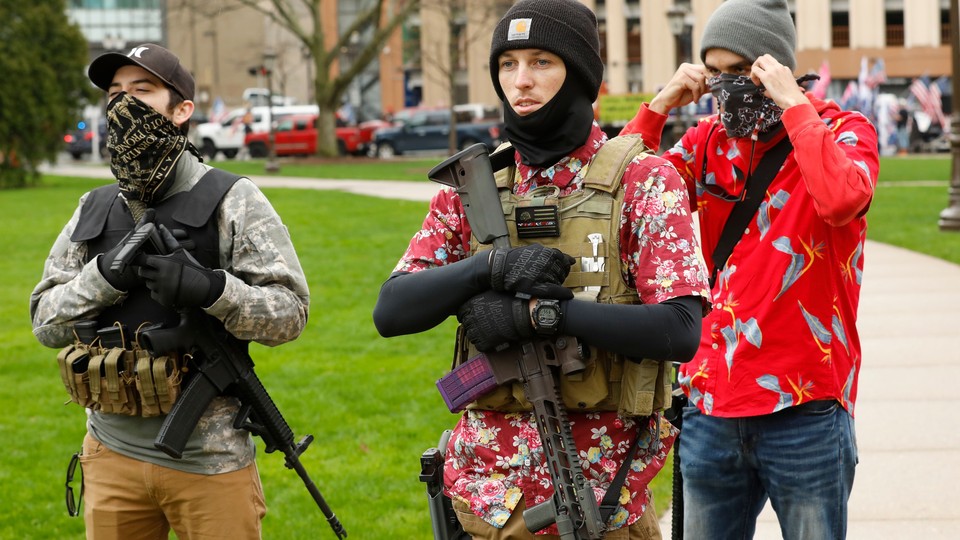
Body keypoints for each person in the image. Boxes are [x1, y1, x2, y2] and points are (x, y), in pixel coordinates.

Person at [374, 1, 710, 538]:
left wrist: (545, 316)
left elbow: (679, 328)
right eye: (507, 64)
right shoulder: (476, 188)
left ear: (580, 75)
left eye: (541, 62)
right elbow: (391, 310)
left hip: (600, 500)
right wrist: (489, 268)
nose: (521, 81)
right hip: (486, 499)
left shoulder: (645, 180)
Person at [619, 0, 880, 538]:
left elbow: (840, 200)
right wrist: (660, 106)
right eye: (717, 73)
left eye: (743, 71)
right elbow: (621, 195)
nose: (729, 87)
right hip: (711, 404)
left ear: (777, 65)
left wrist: (793, 106)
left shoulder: (845, 130)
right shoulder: (707, 142)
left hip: (805, 402)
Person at [30, 43, 309, 539]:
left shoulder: (232, 199)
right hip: (110, 454)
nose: (124, 105)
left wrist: (211, 289)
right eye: (114, 94)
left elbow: (290, 313)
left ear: (182, 109)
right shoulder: (93, 208)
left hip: (210, 461)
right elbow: (44, 323)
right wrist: (104, 279)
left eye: (142, 91)